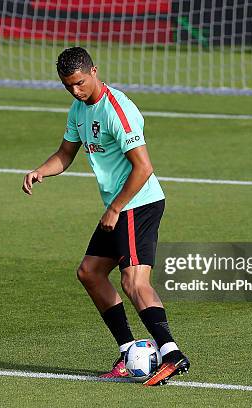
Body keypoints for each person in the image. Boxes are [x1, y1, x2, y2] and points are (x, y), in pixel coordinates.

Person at [22, 46, 189, 386]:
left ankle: (171, 354)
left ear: (94, 71)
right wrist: (41, 171)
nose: (75, 90)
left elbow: (143, 168)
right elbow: (66, 153)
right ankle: (129, 352)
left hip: (136, 202)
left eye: (80, 83)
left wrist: (115, 208)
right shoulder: (78, 108)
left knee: (133, 281)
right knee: (90, 272)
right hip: (119, 205)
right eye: (68, 85)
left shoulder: (118, 110)